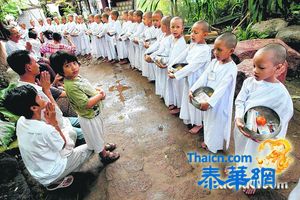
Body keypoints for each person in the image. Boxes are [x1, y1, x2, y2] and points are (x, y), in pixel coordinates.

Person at [3, 85, 92, 188]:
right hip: (53, 172)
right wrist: (54, 123)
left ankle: (54, 179)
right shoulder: (44, 129)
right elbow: (63, 145)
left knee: (68, 132)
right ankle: (58, 178)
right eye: (39, 97)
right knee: (89, 145)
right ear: (34, 108)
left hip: (39, 172)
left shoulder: (21, 122)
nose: (41, 97)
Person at [234, 43, 293, 195]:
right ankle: (240, 168)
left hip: (262, 136)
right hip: (244, 127)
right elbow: (240, 101)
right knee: (242, 150)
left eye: (261, 67)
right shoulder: (249, 82)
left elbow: (282, 120)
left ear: (278, 68)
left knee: (256, 157)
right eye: (254, 65)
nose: (255, 70)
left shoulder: (281, 95)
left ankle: (253, 180)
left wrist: (266, 136)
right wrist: (239, 117)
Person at [7, 50, 85, 155]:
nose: (39, 65)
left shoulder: (26, 86)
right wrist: (47, 91)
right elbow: (57, 117)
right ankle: (99, 150)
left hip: (61, 121)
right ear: (28, 67)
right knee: (87, 132)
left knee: (84, 120)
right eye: (35, 62)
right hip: (57, 127)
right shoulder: (33, 93)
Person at [50, 51, 120, 164]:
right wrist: (100, 95)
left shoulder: (76, 77)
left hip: (93, 114)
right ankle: (104, 155)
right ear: (60, 71)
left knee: (98, 133)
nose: (73, 67)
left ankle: (101, 146)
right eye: (67, 66)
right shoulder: (71, 86)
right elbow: (86, 104)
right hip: (89, 116)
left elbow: (88, 89)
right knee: (95, 135)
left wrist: (97, 91)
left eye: (74, 63)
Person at [190, 32, 238, 153]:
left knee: (217, 124)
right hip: (207, 98)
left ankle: (214, 146)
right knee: (208, 121)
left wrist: (210, 103)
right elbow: (203, 77)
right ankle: (208, 141)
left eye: (219, 50)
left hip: (219, 103)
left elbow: (222, 88)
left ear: (231, 51)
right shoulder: (214, 62)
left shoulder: (231, 68)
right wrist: (192, 89)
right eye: (214, 49)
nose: (215, 52)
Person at [168, 20, 211, 134]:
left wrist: (176, 74)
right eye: (192, 31)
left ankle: (199, 123)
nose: (192, 34)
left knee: (196, 100)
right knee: (189, 99)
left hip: (198, 80)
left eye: (196, 32)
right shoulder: (193, 45)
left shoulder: (205, 50)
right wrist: (172, 66)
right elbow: (182, 55)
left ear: (205, 35)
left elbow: (192, 67)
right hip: (189, 77)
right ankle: (191, 119)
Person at [165, 17, 187, 110]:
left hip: (178, 68)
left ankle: (181, 106)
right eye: (172, 27)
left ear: (182, 29)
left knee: (179, 88)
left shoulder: (182, 42)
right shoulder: (173, 40)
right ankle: (175, 102)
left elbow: (180, 59)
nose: (174, 29)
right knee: (173, 87)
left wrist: (172, 67)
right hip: (171, 67)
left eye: (177, 27)